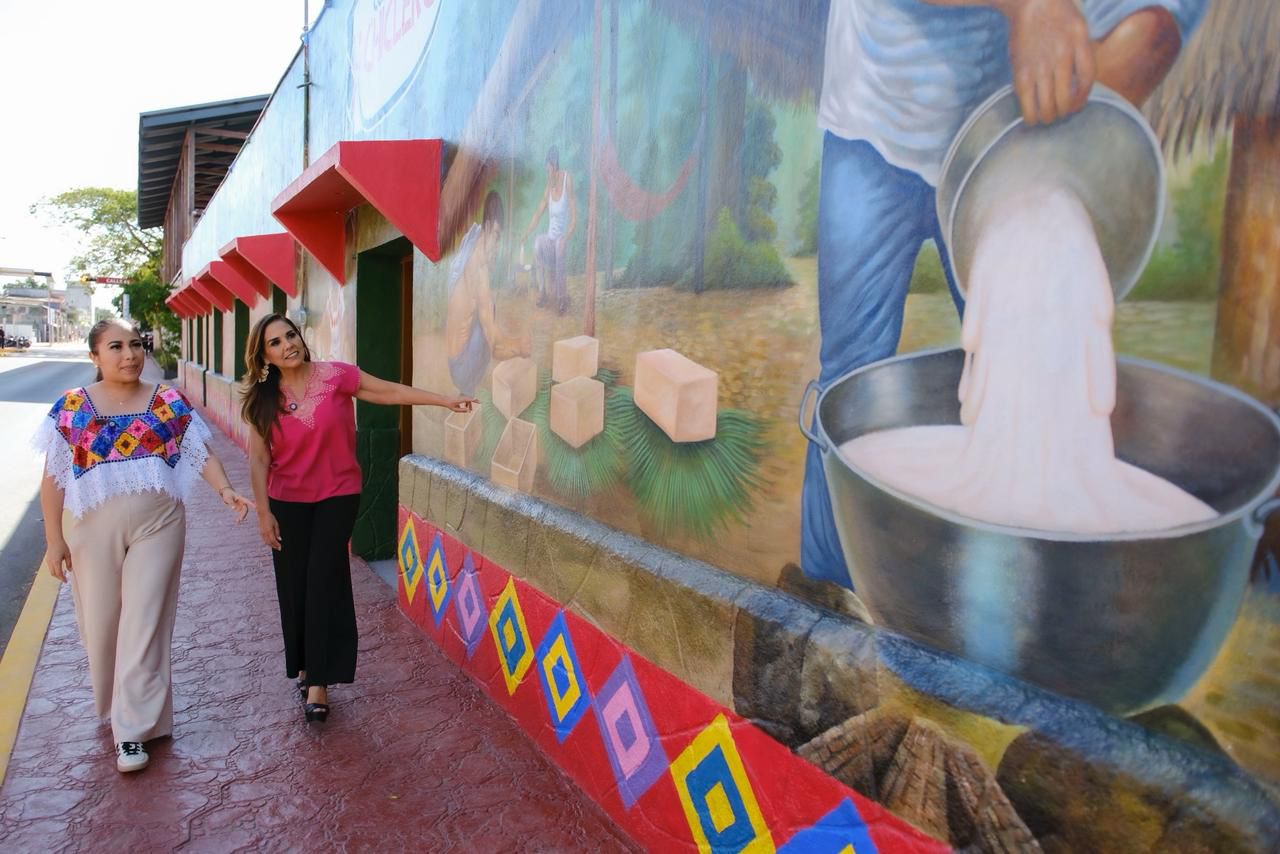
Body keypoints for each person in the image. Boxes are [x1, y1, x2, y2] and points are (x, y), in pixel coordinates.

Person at [800, 0, 1207, 589]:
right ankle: (823, 596)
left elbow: (1158, 26)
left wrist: (1128, 52)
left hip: (1010, 141)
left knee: (1029, 377)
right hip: (878, 118)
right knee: (848, 376)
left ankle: (999, 609)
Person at [35, 318, 252, 773]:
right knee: (102, 623)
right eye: (116, 346)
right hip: (94, 530)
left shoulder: (167, 400)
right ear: (95, 357)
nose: (129, 354)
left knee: (146, 618)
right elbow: (54, 479)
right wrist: (54, 541)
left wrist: (225, 490)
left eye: (135, 344)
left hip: (160, 522)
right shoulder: (72, 407)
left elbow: (199, 451)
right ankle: (121, 706)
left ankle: (133, 730)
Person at [241, 314, 476, 723]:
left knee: (323, 582)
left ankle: (319, 680)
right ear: (264, 356)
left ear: (300, 337)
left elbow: (385, 392)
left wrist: (442, 399)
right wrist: (263, 513)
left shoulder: (336, 376)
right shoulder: (262, 400)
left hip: (338, 495)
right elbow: (259, 460)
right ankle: (304, 664)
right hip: (287, 502)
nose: (287, 345)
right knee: (294, 584)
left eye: (290, 335)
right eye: (275, 343)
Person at [445, 190, 531, 396]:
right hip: (461, 367)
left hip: (454, 360)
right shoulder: (478, 268)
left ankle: (467, 388)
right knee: (489, 314)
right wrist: (520, 346)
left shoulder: (472, 240)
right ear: (489, 226)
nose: (497, 245)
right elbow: (494, 342)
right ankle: (468, 389)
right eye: (497, 236)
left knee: (487, 311)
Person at [520, 146, 577, 314]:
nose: (547, 174)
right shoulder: (549, 188)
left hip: (561, 240)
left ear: (554, 165)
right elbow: (538, 214)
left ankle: (561, 299)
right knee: (538, 243)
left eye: (548, 170)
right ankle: (543, 292)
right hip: (550, 241)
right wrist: (526, 234)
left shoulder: (567, 180)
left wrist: (566, 237)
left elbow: (574, 218)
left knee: (559, 245)